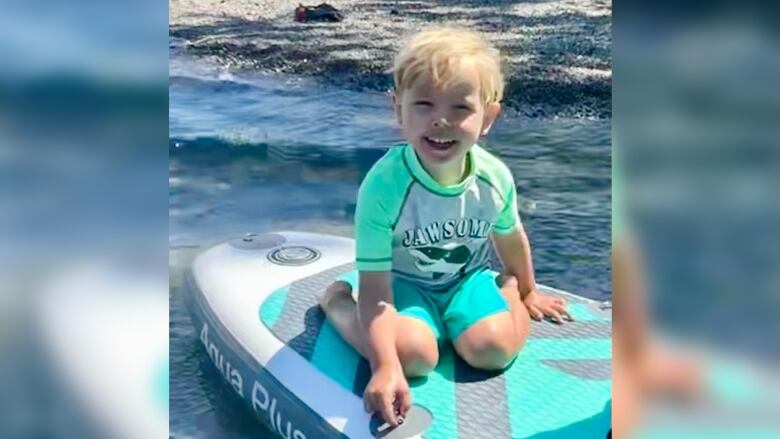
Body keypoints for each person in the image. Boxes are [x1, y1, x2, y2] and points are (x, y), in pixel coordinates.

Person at [319, 27, 572, 427]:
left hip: (466, 283)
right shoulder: (384, 186)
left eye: (460, 108)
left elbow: (509, 236)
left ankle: (504, 293)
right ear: (397, 109)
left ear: (487, 117)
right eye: (423, 104)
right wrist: (383, 366)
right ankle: (336, 305)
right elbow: (376, 289)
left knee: (492, 350)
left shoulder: (494, 177)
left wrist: (525, 290)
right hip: (404, 286)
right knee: (415, 358)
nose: (441, 120)